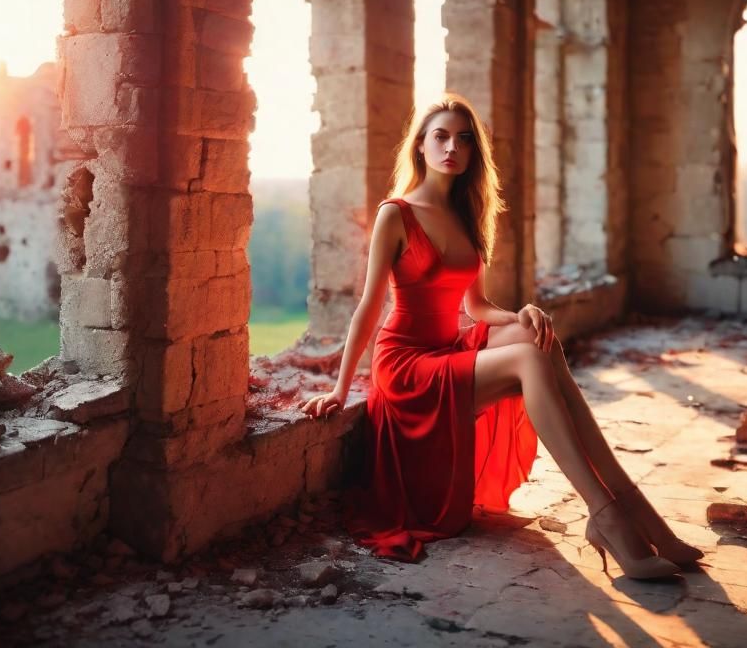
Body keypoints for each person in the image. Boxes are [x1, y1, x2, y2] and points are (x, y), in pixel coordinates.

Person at [300, 95, 702, 578]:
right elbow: (368, 306)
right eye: (441, 136)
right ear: (421, 147)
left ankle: (640, 515)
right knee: (529, 360)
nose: (452, 147)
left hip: (446, 348)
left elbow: (474, 307)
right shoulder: (396, 213)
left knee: (536, 338)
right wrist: (341, 388)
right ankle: (607, 515)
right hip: (406, 366)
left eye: (464, 139)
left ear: (473, 153)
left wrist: (521, 312)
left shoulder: (468, 215)